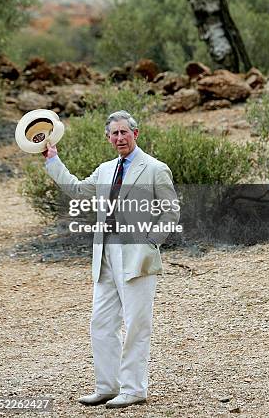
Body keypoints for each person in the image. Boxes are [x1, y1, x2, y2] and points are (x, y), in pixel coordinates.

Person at [43, 110, 180, 409]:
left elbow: (171, 213)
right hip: (105, 255)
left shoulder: (155, 168)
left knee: (136, 324)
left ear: (136, 133)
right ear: (108, 138)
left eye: (124, 132)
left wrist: (149, 244)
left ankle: (133, 389)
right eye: (114, 134)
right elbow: (77, 189)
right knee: (101, 323)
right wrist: (52, 160)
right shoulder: (105, 170)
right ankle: (107, 386)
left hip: (137, 257)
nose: (120, 138)